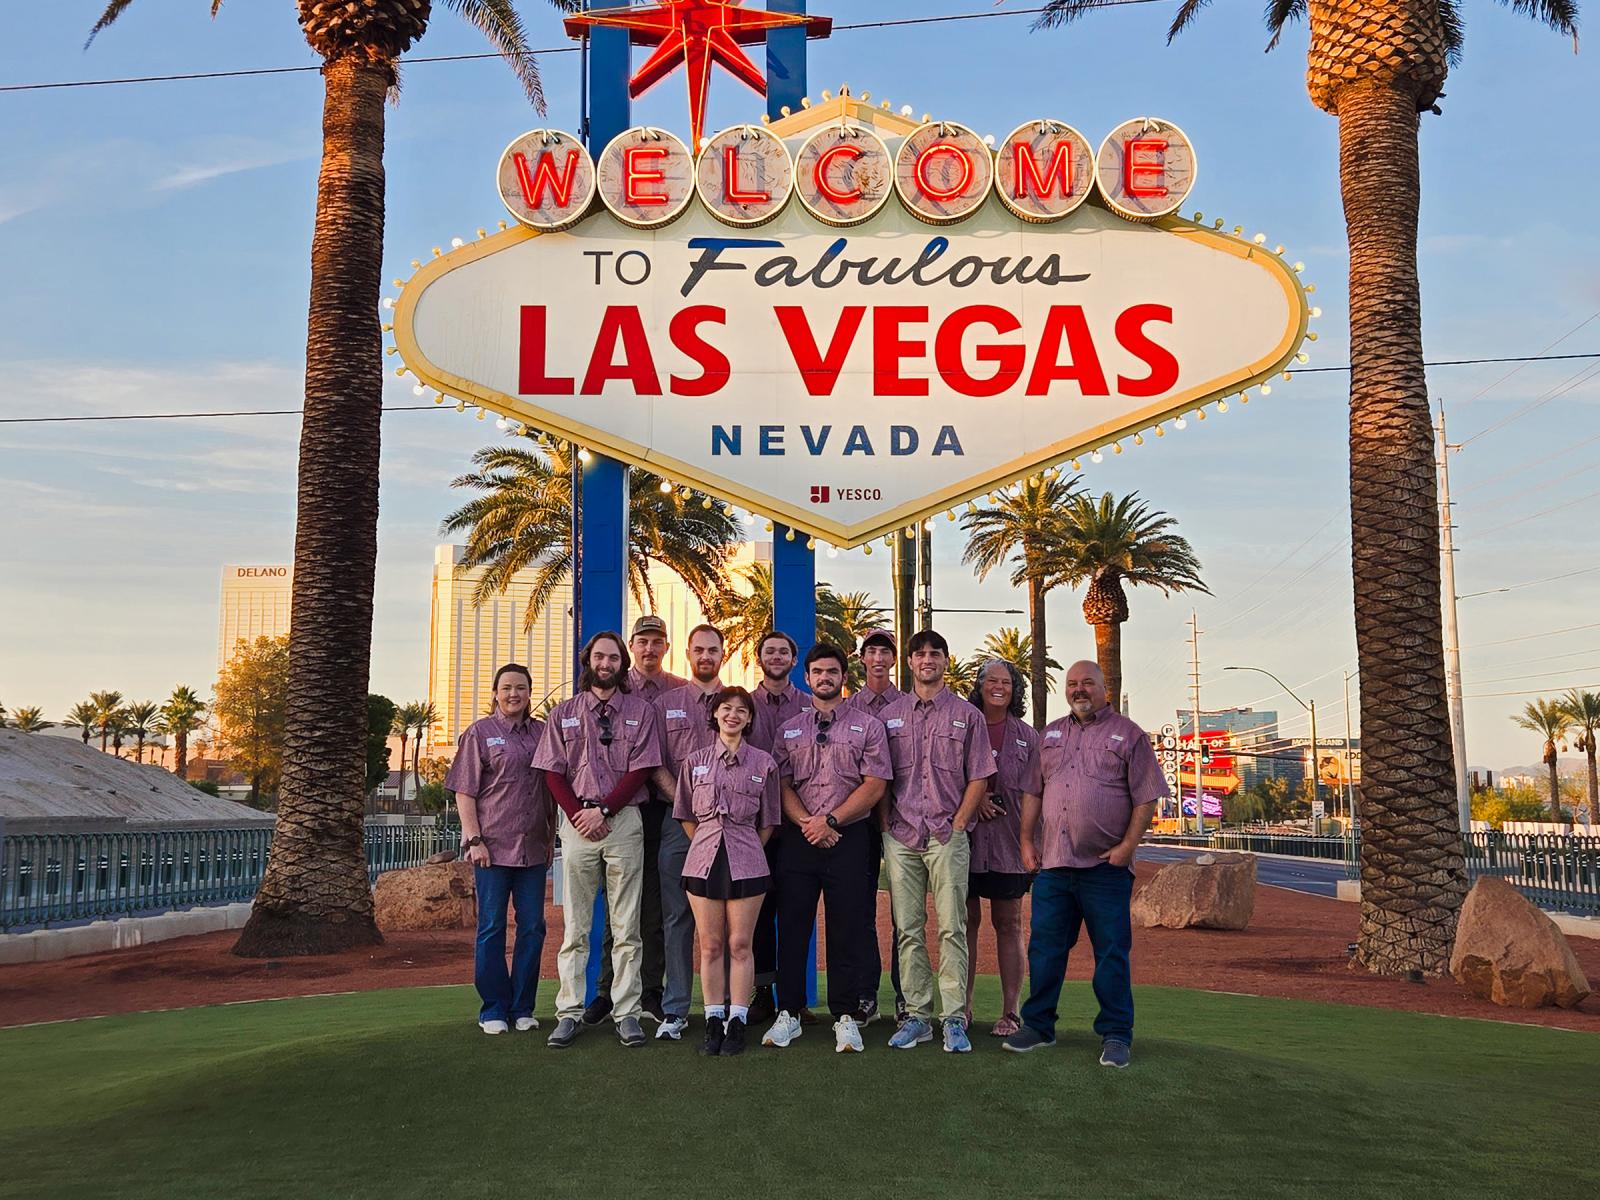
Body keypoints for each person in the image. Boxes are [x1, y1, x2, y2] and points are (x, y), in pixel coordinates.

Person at [1003, 660, 1166, 1068]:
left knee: (1111, 952)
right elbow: (1033, 791)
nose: (1079, 690)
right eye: (1073, 684)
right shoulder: (1050, 735)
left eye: (1087, 683)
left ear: (1104, 689)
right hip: (1055, 866)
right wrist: (1025, 840)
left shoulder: (1129, 735)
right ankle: (1038, 1026)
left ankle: (1116, 1035)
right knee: (1044, 950)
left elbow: (1146, 796)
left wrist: (1128, 846)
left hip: (1105, 870)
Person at [535, 632, 662, 1050]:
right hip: (576, 825)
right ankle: (569, 1012)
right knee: (576, 926)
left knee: (627, 926)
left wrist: (604, 811)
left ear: (622, 664)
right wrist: (578, 814)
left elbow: (641, 770)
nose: (605, 663)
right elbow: (553, 772)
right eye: (599, 656)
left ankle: (627, 1013)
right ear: (588, 660)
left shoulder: (640, 712)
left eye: (613, 658)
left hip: (623, 822)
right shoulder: (565, 713)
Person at [767, 642, 893, 1053]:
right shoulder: (789, 729)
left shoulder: (867, 726)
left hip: (849, 838)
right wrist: (808, 822)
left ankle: (845, 1015)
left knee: (848, 927)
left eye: (832, 672)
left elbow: (875, 784)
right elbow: (781, 784)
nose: (825, 678)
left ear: (843, 677)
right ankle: (788, 1012)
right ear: (807, 678)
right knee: (793, 926)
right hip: (800, 837)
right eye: (818, 672)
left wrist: (832, 821)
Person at [878, 630, 996, 1053]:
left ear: (946, 661)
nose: (927, 660)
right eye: (920, 654)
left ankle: (952, 1019)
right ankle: (916, 1016)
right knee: (907, 928)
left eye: (935, 653)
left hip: (948, 835)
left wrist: (961, 821)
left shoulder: (968, 716)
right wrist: (886, 823)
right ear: (909, 662)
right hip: (903, 836)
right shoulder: (890, 716)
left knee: (952, 927)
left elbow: (980, 774)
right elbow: (880, 777)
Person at [585, 615, 688, 1028]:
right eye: (642, 642)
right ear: (632, 647)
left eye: (656, 642)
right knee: (616, 904)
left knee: (658, 905)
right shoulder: (614, 690)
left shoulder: (680, 691)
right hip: (622, 807)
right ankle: (606, 992)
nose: (649, 649)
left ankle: (651, 991)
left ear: (665, 647)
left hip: (663, 808)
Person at [445, 663, 554, 1036]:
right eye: (506, 688)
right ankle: (493, 1007)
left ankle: (523, 1006)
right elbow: (465, 791)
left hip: (533, 850)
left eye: (521, 688)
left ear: (529, 693)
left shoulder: (543, 733)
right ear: (495, 692)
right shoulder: (479, 733)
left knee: (533, 929)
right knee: (491, 928)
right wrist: (474, 839)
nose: (513, 694)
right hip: (490, 850)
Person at [673, 687, 781, 1057]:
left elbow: (768, 821)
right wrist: (709, 840)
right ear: (715, 715)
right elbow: (686, 815)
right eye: (725, 709)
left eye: (741, 710)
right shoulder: (695, 762)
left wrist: (742, 845)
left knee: (739, 944)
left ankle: (737, 1019)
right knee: (711, 945)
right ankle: (713, 1019)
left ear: (749, 719)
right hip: (703, 860)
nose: (733, 715)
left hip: (747, 860)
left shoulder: (764, 764)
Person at [647, 623, 730, 1041]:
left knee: (728, 921)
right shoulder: (666, 705)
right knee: (677, 916)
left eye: (712, 650)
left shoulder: (737, 702)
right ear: (687, 654)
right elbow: (656, 763)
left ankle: (730, 1008)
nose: (705, 656)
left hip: (730, 830)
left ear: (723, 654)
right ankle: (676, 1008)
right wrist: (687, 808)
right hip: (678, 827)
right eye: (698, 650)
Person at [963, 659, 1041, 1037]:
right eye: (990, 680)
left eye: (1006, 681)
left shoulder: (1028, 736)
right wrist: (975, 800)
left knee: (1009, 923)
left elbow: (1037, 791)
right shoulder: (962, 725)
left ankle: (1011, 1012)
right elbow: (945, 774)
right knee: (964, 923)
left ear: (1015, 689)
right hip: (965, 840)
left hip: (1010, 843)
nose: (998, 687)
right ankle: (962, 1008)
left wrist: (1032, 842)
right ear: (979, 685)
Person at [842, 627, 904, 1026]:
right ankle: (866, 995)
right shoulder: (849, 708)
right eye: (871, 651)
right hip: (861, 823)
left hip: (904, 822)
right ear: (862, 659)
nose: (878, 658)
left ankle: (905, 994)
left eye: (885, 651)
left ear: (894, 660)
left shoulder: (910, 705)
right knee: (860, 910)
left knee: (905, 914)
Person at [745, 628, 806, 1025]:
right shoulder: (743, 705)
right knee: (760, 915)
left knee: (797, 913)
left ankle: (794, 999)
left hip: (800, 826)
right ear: (760, 657)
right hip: (754, 828)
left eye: (784, 651)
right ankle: (762, 993)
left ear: (794, 659)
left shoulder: (809, 706)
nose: (777, 656)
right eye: (770, 651)